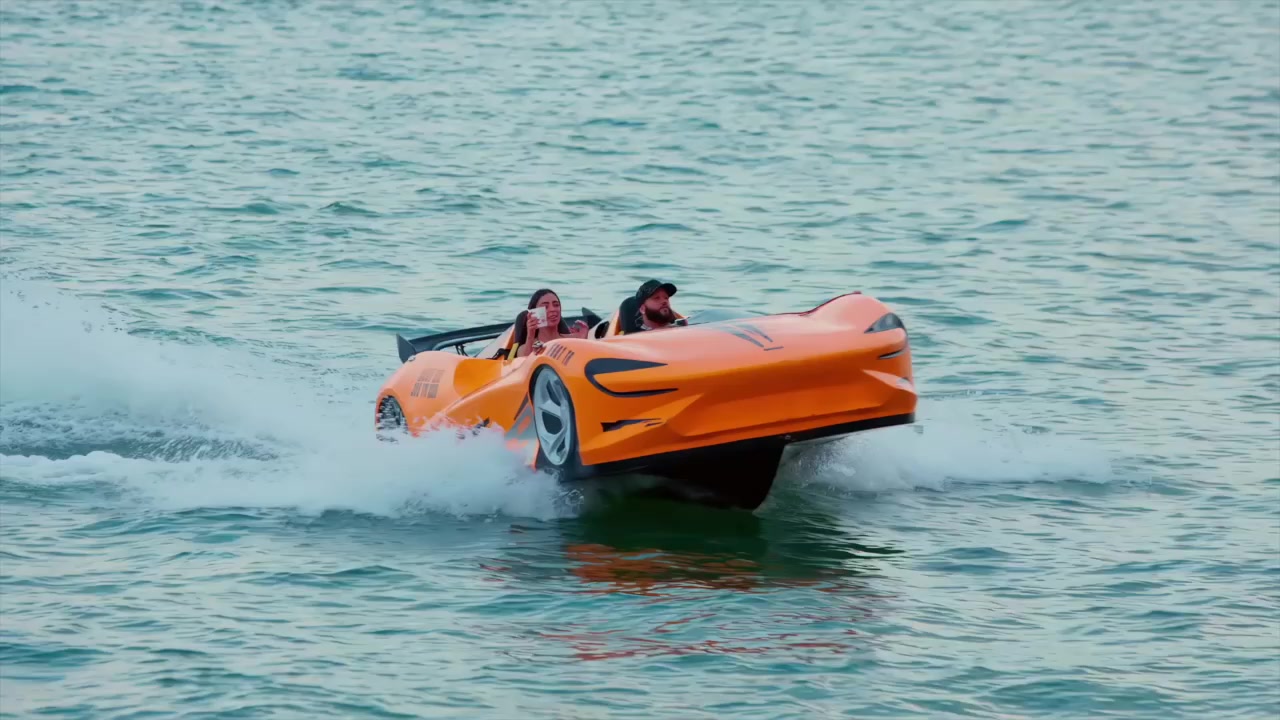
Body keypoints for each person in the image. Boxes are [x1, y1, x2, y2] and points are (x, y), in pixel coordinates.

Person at [511, 288, 589, 358]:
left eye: (556, 305)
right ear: (534, 313)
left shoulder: (574, 339)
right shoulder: (526, 348)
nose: (552, 309)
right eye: (545, 307)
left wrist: (584, 340)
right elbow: (525, 364)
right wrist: (530, 336)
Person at [623, 279, 688, 334]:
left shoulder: (681, 328)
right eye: (656, 298)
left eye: (666, 298)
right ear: (642, 309)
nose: (664, 301)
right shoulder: (637, 336)